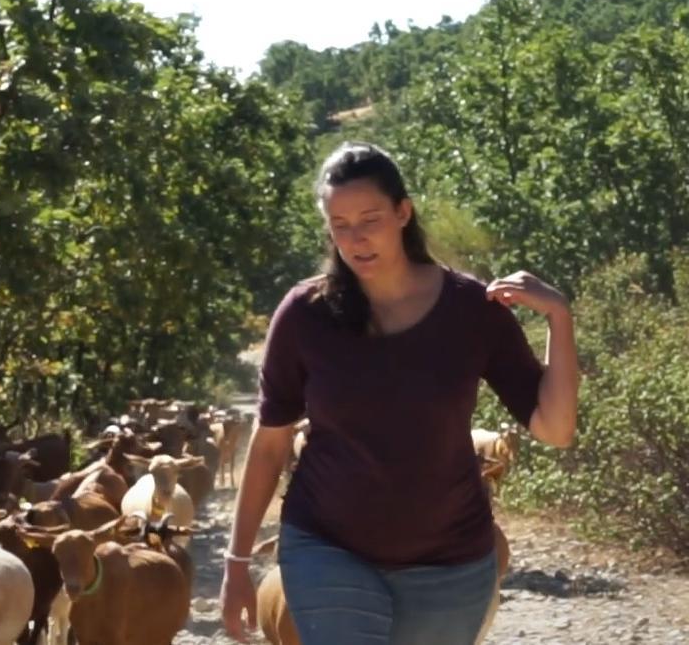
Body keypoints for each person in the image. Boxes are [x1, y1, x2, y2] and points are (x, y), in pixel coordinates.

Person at [219, 141, 579, 645]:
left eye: (369, 219)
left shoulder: (471, 310)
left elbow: (555, 428)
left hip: (451, 559)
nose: (356, 238)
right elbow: (271, 442)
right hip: (327, 547)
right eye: (340, 224)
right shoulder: (305, 314)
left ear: (403, 212)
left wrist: (559, 318)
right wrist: (236, 563)